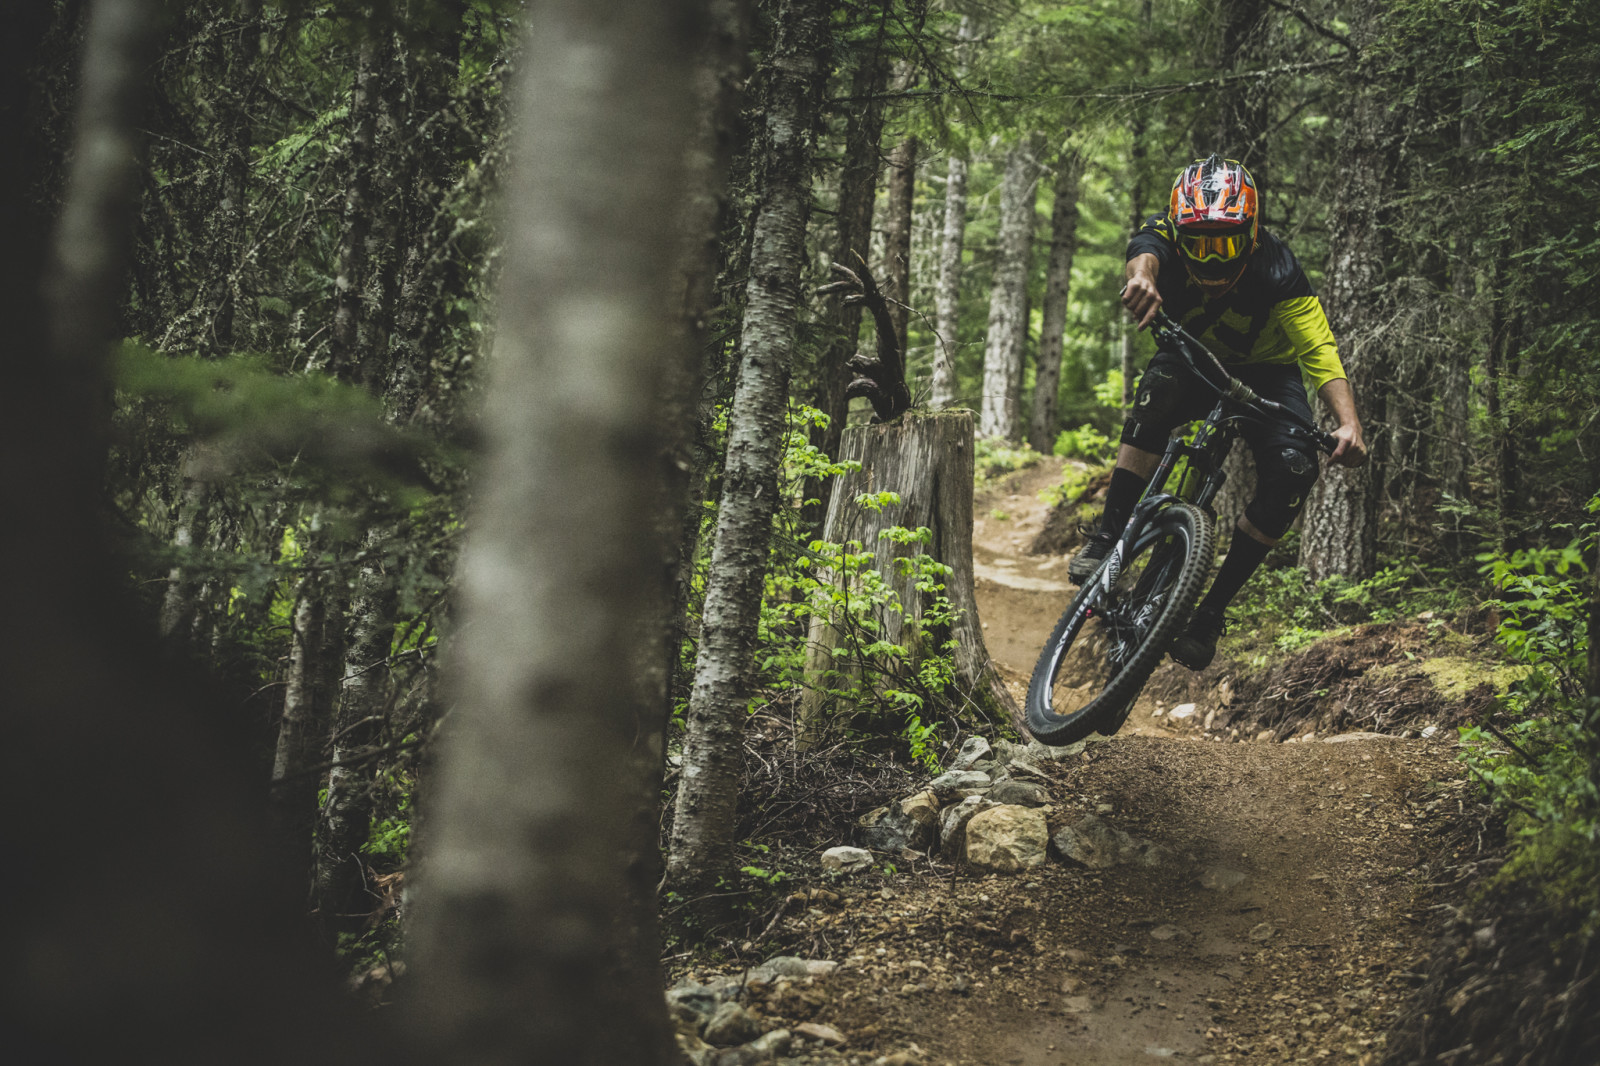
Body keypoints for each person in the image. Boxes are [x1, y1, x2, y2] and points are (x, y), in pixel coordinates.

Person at [1069, 154, 1368, 669]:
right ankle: (1108, 535)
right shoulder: (1166, 232)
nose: (1210, 260)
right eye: (1197, 244)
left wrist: (1348, 423)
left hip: (1268, 371)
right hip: (1191, 355)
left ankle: (1209, 615)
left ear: (1250, 235)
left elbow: (1319, 351)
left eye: (1225, 243)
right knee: (1157, 392)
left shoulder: (1278, 268)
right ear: (1180, 231)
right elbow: (1144, 255)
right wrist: (1142, 278)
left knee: (1295, 469)